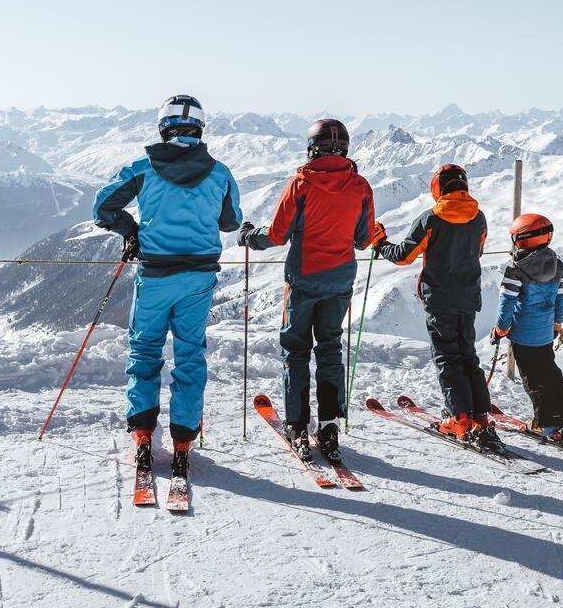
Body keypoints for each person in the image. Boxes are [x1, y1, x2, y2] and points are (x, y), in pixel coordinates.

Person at [92, 95, 242, 484]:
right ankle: (182, 442)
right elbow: (230, 222)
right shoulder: (220, 173)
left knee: (145, 352)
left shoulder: (142, 168)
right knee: (190, 356)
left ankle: (143, 437)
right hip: (198, 278)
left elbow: (102, 208)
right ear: (200, 129)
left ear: (163, 127)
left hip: (156, 275)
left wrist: (132, 231)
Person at [240, 117, 378, 464]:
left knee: (296, 351)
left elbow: (275, 235)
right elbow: (363, 240)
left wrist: (246, 235)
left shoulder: (301, 183)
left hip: (303, 281)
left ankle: (298, 426)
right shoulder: (360, 186)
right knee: (330, 350)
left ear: (312, 148)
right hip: (340, 281)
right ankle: (330, 427)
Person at [374, 163, 497, 450]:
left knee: (447, 358)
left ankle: (460, 418)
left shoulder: (430, 219)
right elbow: (476, 251)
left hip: (440, 298)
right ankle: (480, 416)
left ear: (438, 188)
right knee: (468, 356)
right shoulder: (479, 218)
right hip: (469, 298)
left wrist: (380, 243)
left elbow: (404, 256)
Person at [493, 213, 563, 450]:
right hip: (545, 332)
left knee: (535, 381)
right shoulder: (557, 265)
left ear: (522, 239)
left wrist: (501, 328)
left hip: (524, 334)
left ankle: (545, 424)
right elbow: (560, 299)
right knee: (552, 376)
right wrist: (556, 323)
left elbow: (507, 303)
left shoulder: (515, 270)